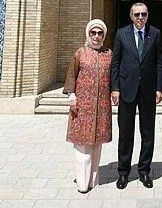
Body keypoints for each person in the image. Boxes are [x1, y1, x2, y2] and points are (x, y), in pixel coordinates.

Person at [111, 2, 162, 189]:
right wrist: (115, 88)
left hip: (148, 90)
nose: (140, 18)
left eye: (144, 14)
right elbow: (116, 63)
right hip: (127, 89)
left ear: (147, 15)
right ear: (131, 16)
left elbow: (159, 62)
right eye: (137, 14)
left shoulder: (155, 33)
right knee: (125, 133)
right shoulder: (121, 34)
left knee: (147, 133)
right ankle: (123, 172)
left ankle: (144, 171)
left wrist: (159, 88)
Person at [63, 19, 112, 194]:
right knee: (82, 145)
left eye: (100, 33)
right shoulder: (80, 53)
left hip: (102, 107)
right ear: (88, 34)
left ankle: (93, 180)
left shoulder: (108, 54)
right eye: (93, 33)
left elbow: (114, 76)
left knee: (97, 145)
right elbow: (71, 76)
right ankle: (82, 183)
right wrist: (72, 96)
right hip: (82, 106)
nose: (96, 36)